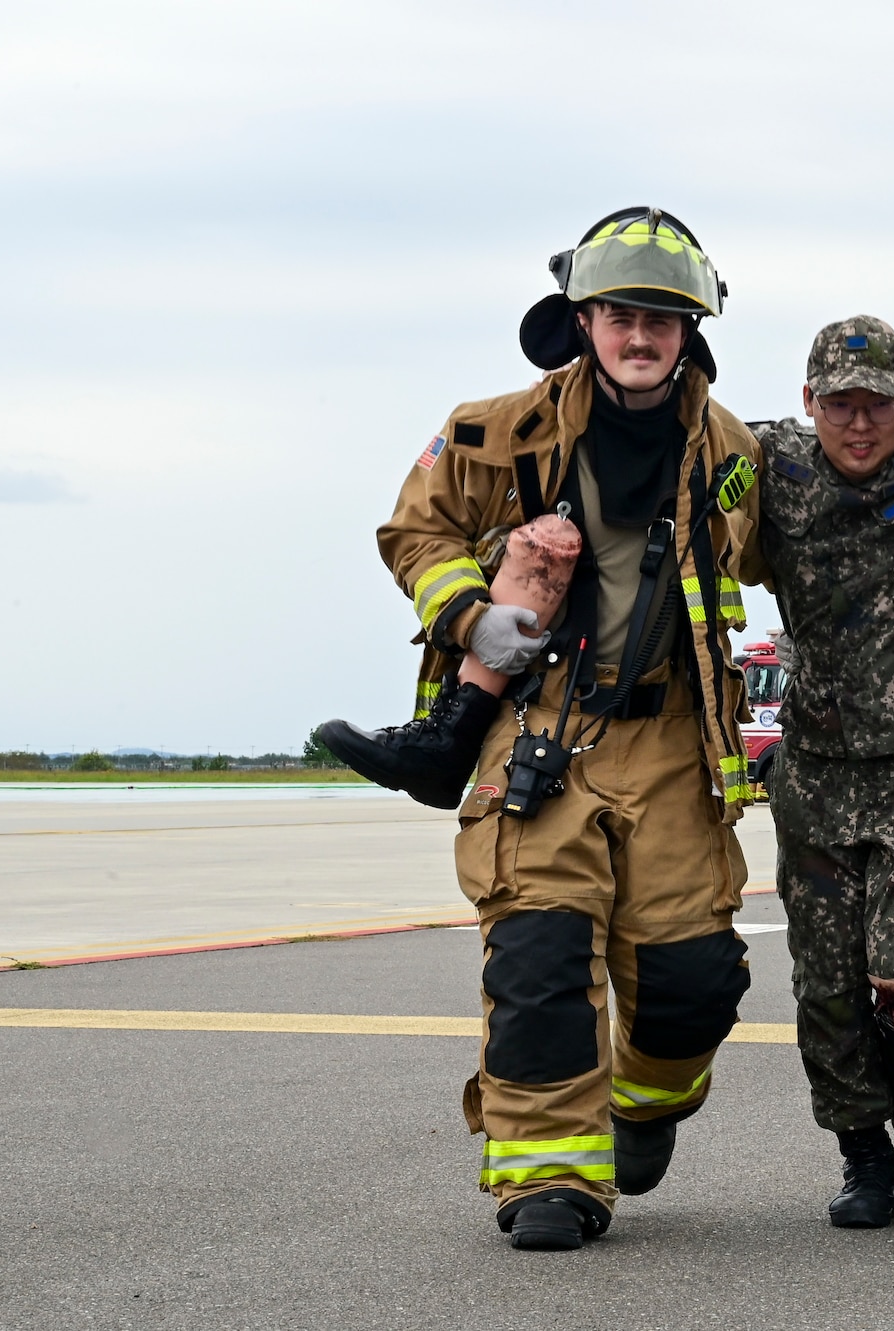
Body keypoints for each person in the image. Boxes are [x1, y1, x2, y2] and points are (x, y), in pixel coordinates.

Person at [336, 207, 764, 1251]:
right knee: (535, 958)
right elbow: (414, 527)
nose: (640, 334)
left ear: (691, 329)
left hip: (669, 740)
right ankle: (545, 1177)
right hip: (540, 725)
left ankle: (647, 1105)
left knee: (691, 987)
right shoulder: (493, 431)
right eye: (621, 313)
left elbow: (786, 559)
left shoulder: (734, 454)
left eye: (662, 317)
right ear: (581, 318)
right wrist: (469, 613)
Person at [739, 318, 894, 1228]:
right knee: (828, 984)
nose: (859, 423)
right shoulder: (771, 460)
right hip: (814, 766)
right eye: (840, 404)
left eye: (877, 404)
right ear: (811, 404)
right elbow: (675, 428)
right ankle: (864, 1158)